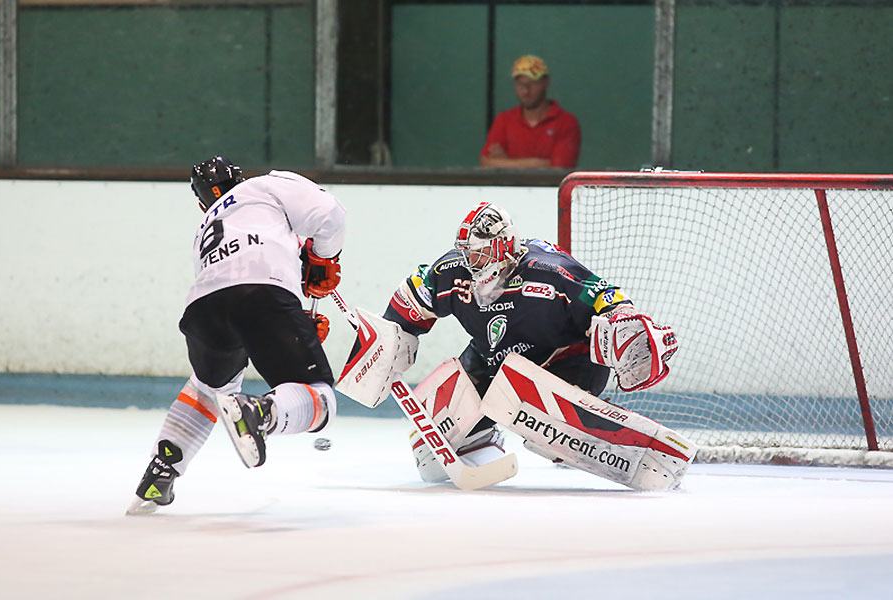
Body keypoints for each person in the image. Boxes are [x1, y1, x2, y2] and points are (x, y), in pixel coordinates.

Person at [341, 201, 679, 486]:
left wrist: (625, 324)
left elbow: (607, 296)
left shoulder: (549, 271)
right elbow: (409, 303)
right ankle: (484, 438)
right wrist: (389, 344)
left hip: (566, 363)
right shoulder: (452, 273)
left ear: (504, 246)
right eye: (468, 254)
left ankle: (604, 432)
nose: (472, 264)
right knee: (430, 461)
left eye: (481, 254)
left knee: (532, 412)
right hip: (492, 363)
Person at [127, 156, 346, 514]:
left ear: (201, 203)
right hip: (262, 295)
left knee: (208, 387)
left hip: (202, 310)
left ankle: (162, 470)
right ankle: (261, 412)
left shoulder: (205, 227)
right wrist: (324, 258)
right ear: (241, 178)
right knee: (322, 399)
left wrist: (296, 325)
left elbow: (235, 291)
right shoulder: (265, 186)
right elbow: (330, 213)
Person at [480, 55, 581, 169]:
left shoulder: (566, 122)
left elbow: (559, 169)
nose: (525, 90)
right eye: (520, 84)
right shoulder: (504, 119)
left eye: (533, 83)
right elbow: (486, 163)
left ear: (546, 82)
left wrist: (506, 163)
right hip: (509, 187)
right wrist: (537, 164)